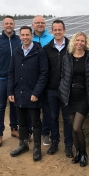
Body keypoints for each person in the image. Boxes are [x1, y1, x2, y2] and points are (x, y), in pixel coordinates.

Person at [8, 26, 48, 161]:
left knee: (36, 123)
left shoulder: (39, 52)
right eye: (22, 35)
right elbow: (11, 73)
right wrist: (10, 91)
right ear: (20, 37)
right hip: (19, 93)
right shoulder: (17, 51)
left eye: (27, 35)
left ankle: (37, 148)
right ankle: (23, 145)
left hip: (33, 95)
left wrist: (36, 92)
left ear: (32, 36)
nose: (25, 37)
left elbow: (44, 74)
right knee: (22, 122)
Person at [59, 32, 89, 167]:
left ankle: (84, 153)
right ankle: (78, 153)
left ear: (86, 43)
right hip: (69, 96)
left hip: (83, 97)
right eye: (77, 40)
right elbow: (63, 75)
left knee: (77, 127)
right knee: (73, 128)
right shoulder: (67, 58)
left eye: (82, 41)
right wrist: (62, 90)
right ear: (73, 42)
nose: (79, 43)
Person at [0, 15, 20, 147]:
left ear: (14, 25)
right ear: (3, 25)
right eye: (6, 23)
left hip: (16, 79)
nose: (9, 25)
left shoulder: (19, 40)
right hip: (1, 78)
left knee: (14, 106)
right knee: (1, 107)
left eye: (11, 23)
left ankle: (14, 129)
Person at [43, 19, 74, 157]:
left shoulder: (72, 47)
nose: (57, 32)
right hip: (51, 89)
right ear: (52, 31)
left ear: (64, 30)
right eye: (55, 30)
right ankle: (55, 142)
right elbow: (44, 70)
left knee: (67, 118)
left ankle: (69, 145)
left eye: (60, 29)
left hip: (68, 90)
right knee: (53, 117)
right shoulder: (47, 49)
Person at [32, 15, 54, 146]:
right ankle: (32, 131)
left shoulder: (51, 38)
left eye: (42, 22)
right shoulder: (28, 38)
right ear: (32, 24)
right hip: (32, 80)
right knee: (32, 108)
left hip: (48, 80)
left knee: (47, 109)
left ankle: (46, 133)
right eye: (37, 23)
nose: (40, 24)